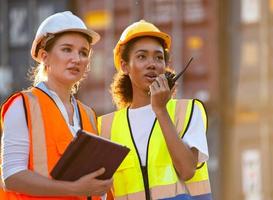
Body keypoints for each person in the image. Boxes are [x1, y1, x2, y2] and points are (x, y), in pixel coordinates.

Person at [0, 11, 114, 200]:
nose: (77, 59)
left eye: (83, 52)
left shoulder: (88, 114)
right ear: (44, 56)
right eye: (67, 49)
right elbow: (11, 176)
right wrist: (75, 189)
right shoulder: (23, 105)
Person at [97, 20, 212, 200]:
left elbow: (187, 170)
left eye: (159, 57)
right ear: (125, 66)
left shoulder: (188, 111)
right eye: (142, 56)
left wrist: (160, 110)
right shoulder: (105, 126)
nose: (152, 64)